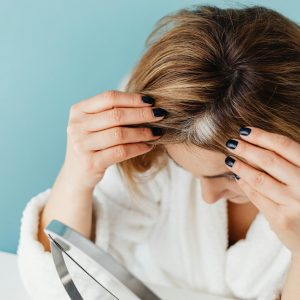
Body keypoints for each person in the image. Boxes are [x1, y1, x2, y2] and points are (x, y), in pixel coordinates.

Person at [17, 4, 300, 300]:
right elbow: (54, 286)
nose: (207, 196)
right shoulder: (158, 138)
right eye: (183, 168)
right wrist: (76, 175)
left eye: (231, 173)